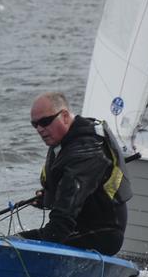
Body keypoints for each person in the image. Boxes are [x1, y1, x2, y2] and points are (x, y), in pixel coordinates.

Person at [17, 92, 132, 255]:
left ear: (64, 116)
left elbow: (64, 215)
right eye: (35, 125)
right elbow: (74, 193)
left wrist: (40, 246)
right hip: (77, 229)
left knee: (14, 243)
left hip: (101, 235)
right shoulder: (64, 143)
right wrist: (48, 198)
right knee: (15, 241)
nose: (40, 129)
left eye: (45, 122)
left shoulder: (86, 150)